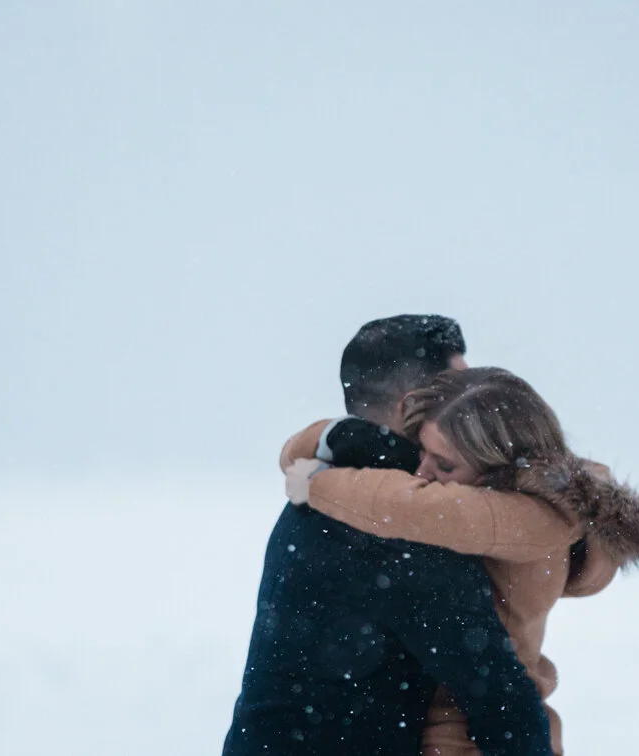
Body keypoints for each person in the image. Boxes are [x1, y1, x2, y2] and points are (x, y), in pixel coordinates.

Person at [280, 367, 639, 756]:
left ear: (501, 467)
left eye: (444, 465)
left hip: (471, 737)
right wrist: (333, 437)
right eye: (422, 452)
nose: (421, 473)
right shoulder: (512, 494)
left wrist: (316, 483)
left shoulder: (529, 518)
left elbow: (413, 506)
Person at [223, 316, 556, 756]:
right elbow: (502, 705)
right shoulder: (404, 529)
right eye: (459, 391)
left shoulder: (319, 496)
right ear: (412, 406)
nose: (475, 398)